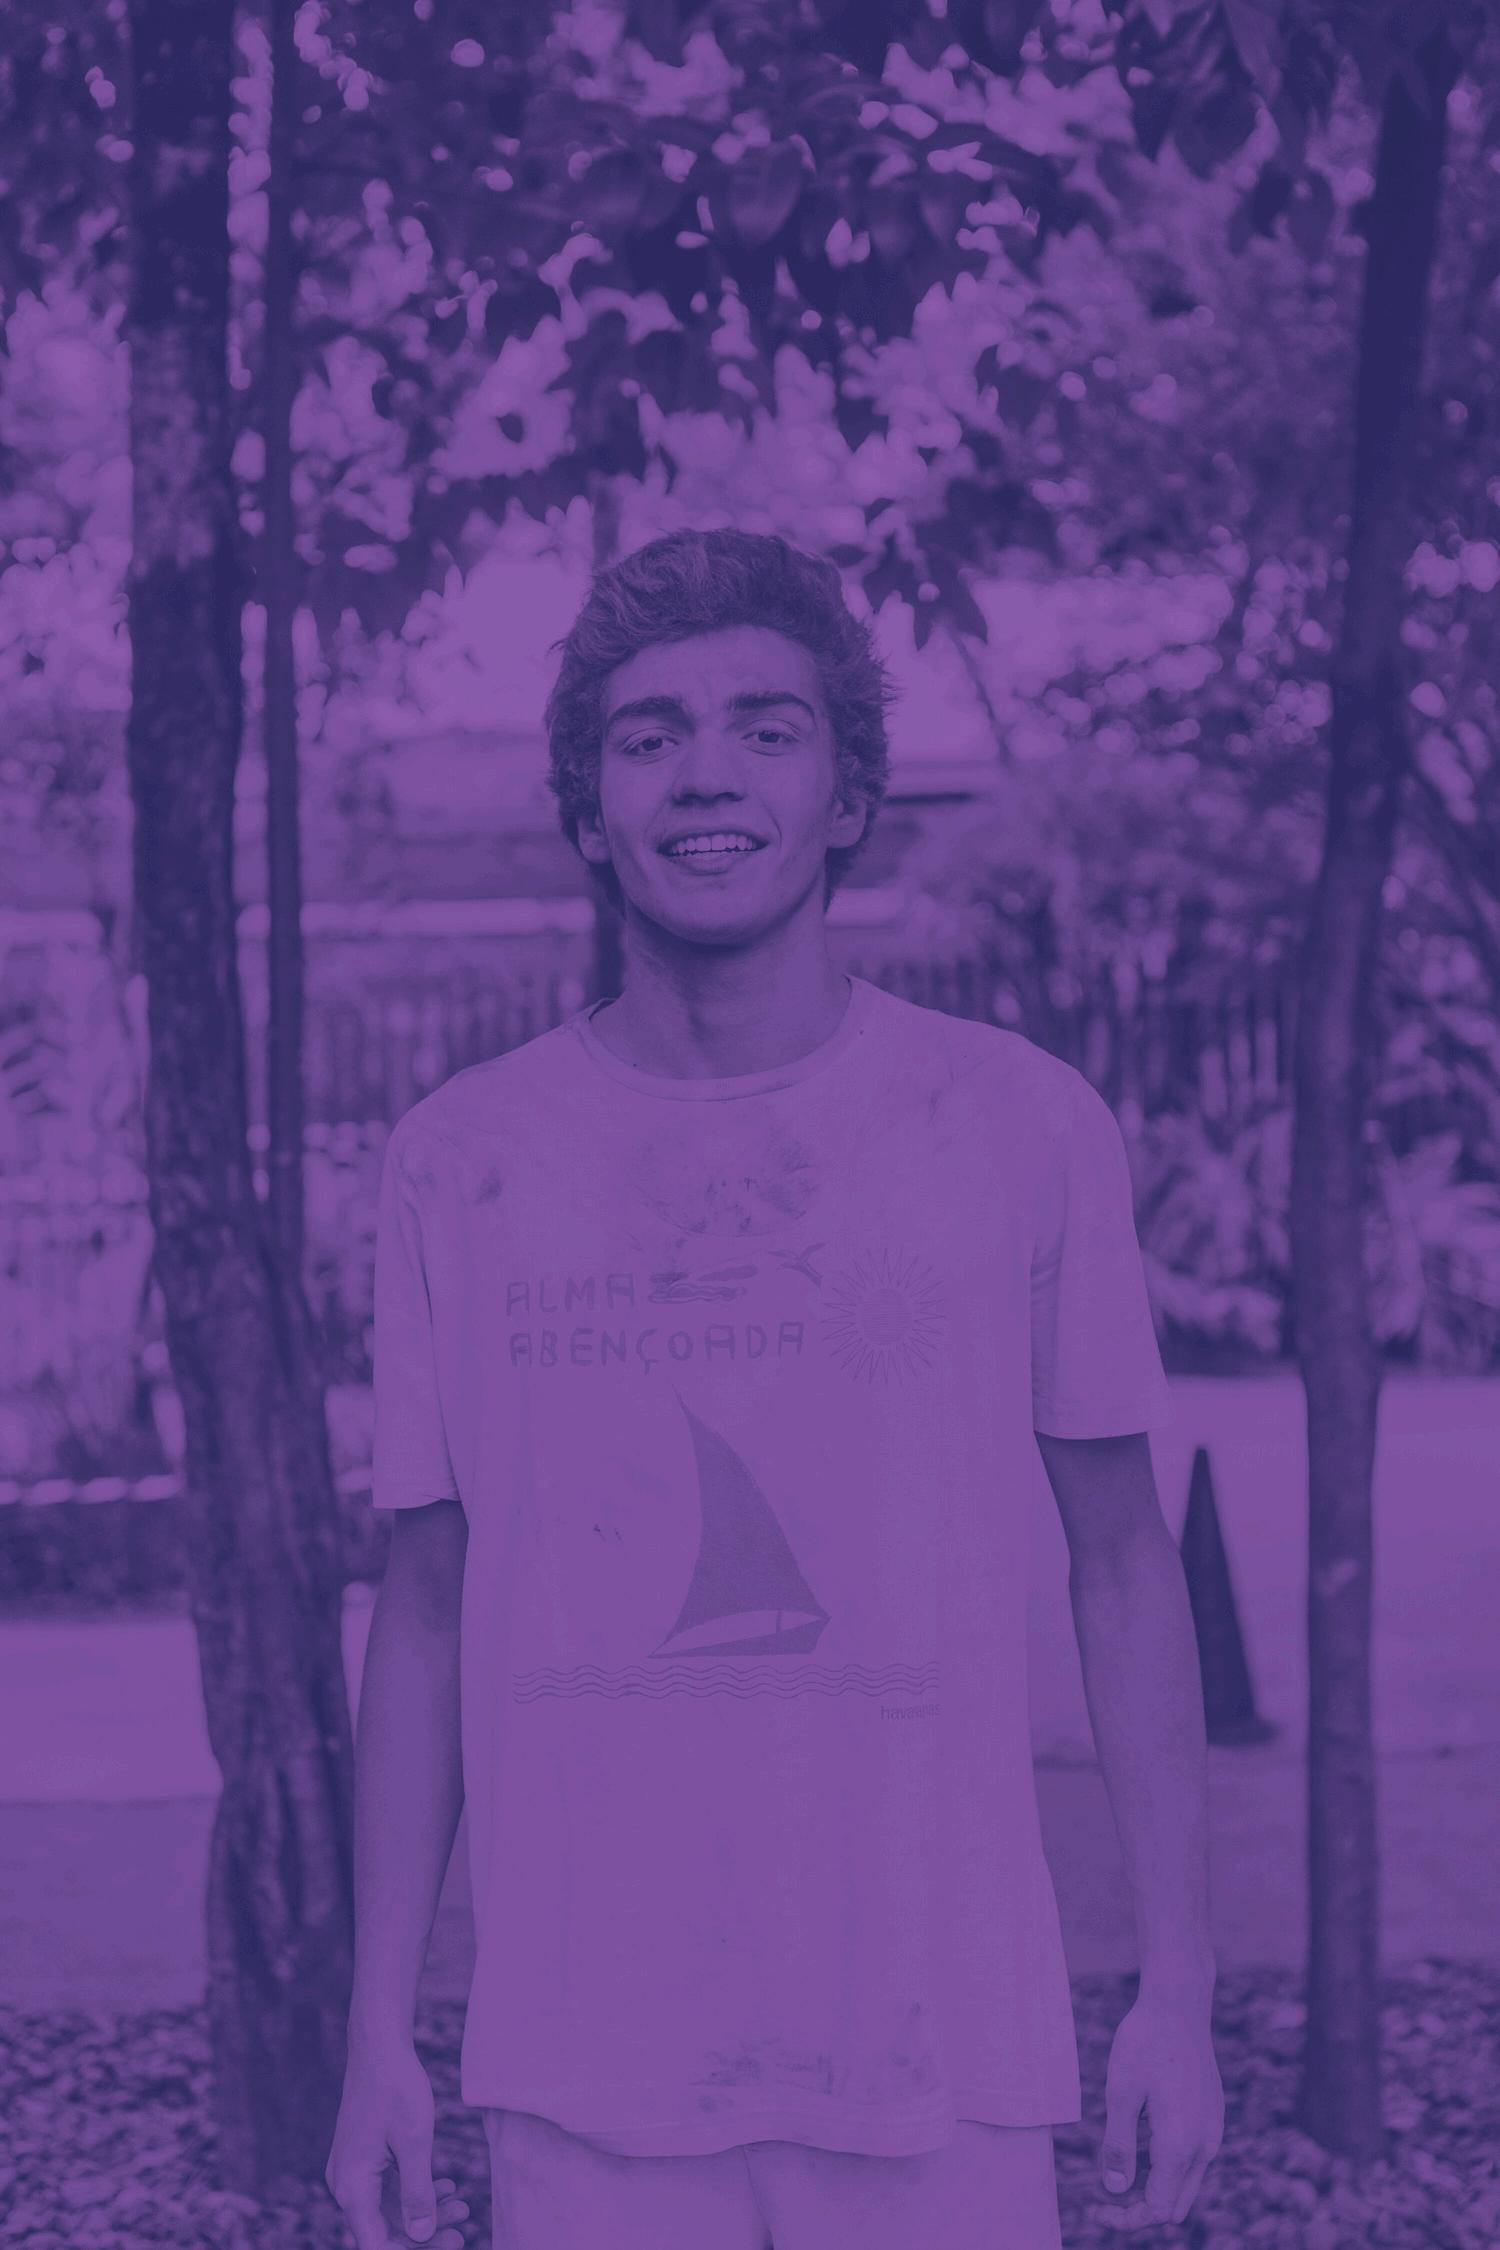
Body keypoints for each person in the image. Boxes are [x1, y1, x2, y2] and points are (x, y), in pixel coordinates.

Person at [325, 529, 1224, 2250]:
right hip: (585, 2074)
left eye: (765, 726)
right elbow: (423, 1612)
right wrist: (378, 2033)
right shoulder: (464, 1162)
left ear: (848, 793)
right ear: (590, 811)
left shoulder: (1016, 1126)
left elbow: (1124, 1561)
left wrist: (1178, 1988)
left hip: (942, 2058)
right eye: (648, 734)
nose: (706, 772)